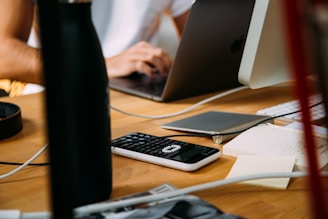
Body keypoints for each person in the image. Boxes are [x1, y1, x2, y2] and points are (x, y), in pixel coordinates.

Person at [0, 0, 193, 96]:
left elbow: (204, 42)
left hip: (141, 94)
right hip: (61, 99)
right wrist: (99, 66)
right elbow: (4, 54)